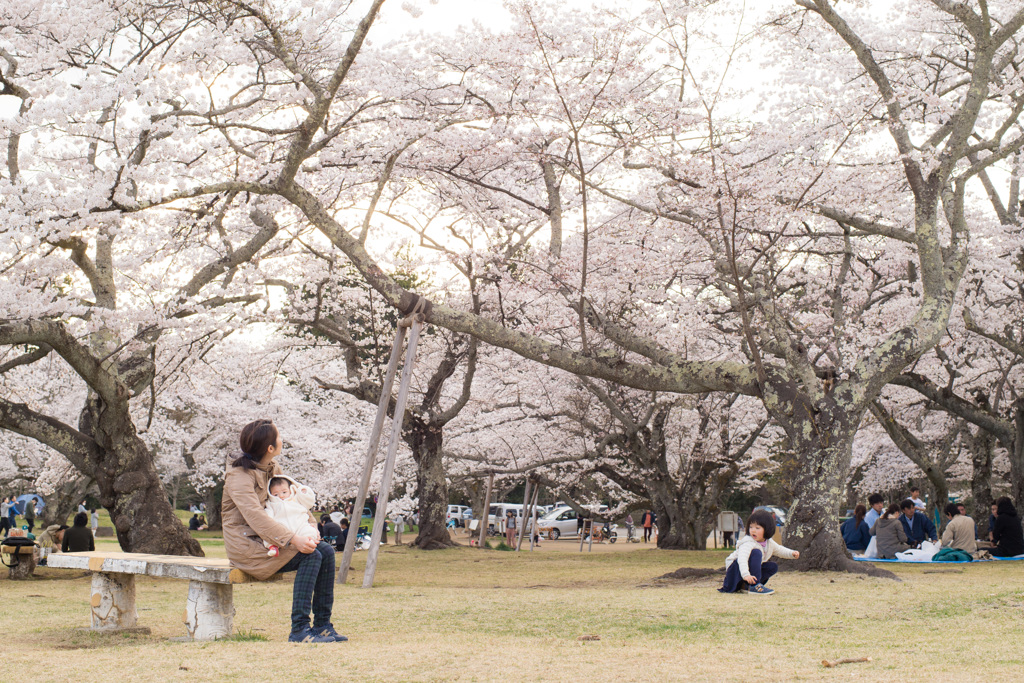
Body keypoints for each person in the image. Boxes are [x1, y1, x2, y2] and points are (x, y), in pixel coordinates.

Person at [222, 419, 344, 643]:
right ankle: (299, 629)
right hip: (250, 547)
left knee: (325, 551)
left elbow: (293, 501)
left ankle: (323, 625)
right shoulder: (239, 476)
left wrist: (311, 528)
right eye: (278, 437)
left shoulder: (272, 468)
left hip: (275, 540)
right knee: (312, 556)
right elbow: (255, 518)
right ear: (270, 448)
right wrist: (293, 540)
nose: (281, 440)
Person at [719, 509, 799, 596]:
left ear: (767, 529)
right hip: (735, 574)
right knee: (756, 552)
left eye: (757, 528)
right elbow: (742, 559)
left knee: (772, 566)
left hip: (746, 576)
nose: (753, 530)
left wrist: (792, 553)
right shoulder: (748, 543)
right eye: (751, 527)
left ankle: (747, 586)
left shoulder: (769, 543)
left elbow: (779, 550)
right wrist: (746, 575)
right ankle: (754, 585)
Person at [262, 476, 318, 557]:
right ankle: (273, 547)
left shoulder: (296, 499)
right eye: (276, 494)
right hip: (284, 530)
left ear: (291, 489)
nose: (281, 496)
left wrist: (304, 491)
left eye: (284, 492)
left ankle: (310, 540)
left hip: (300, 526)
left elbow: (309, 501)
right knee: (270, 534)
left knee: (309, 530)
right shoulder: (272, 504)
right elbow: (268, 516)